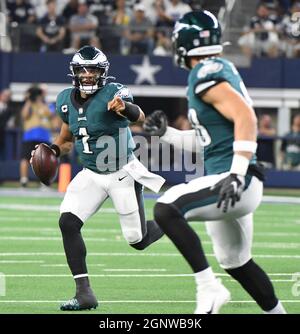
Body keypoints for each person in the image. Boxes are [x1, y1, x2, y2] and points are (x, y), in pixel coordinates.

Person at [144, 11, 286, 314]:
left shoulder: (204, 71)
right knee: (236, 262)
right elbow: (209, 142)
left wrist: (236, 174)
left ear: (182, 43)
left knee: (166, 208)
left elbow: (246, 118)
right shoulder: (219, 68)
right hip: (232, 181)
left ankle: (208, 287)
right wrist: (166, 133)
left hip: (234, 181)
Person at [30, 45, 165, 311]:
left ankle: (171, 219)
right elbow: (67, 139)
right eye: (84, 70)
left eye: (93, 70)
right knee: (68, 222)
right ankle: (84, 293)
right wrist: (53, 151)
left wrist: (124, 108)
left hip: (121, 173)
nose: (89, 75)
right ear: (75, 72)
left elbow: (139, 117)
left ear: (102, 72)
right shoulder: (65, 99)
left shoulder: (114, 93)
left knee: (138, 241)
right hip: (91, 172)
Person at [20, 85, 53, 187]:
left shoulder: (47, 105)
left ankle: (43, 182)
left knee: (44, 160)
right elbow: (24, 115)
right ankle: (24, 180)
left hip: (44, 136)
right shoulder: (28, 104)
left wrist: (39, 100)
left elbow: (48, 114)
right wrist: (29, 100)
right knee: (25, 158)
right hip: (29, 136)